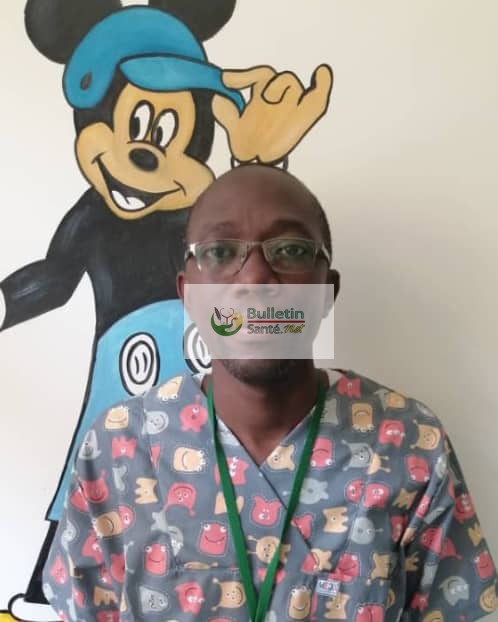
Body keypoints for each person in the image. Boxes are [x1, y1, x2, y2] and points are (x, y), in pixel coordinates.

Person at [42, 165, 497, 621]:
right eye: (220, 251)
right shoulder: (120, 450)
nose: (256, 278)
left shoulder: (408, 445)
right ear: (189, 294)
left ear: (326, 292)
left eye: (291, 250)